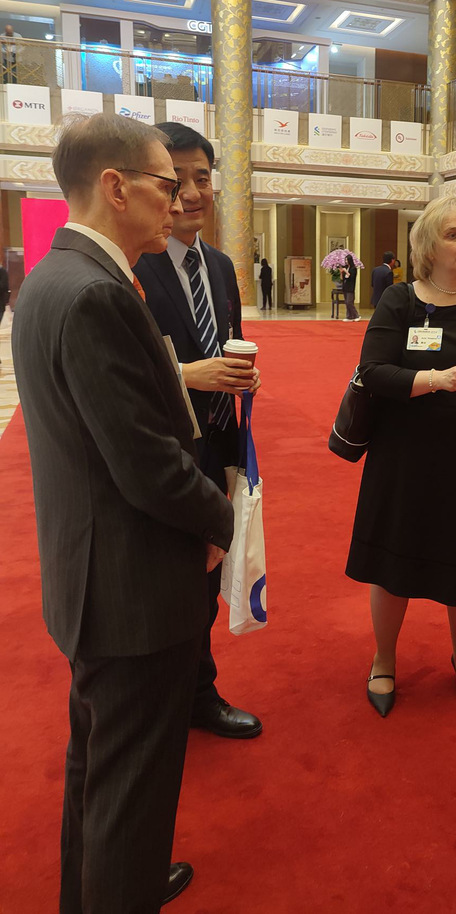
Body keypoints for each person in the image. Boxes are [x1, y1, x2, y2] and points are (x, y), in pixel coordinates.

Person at [12, 113, 234, 912]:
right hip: (131, 587)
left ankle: (102, 885)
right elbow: (147, 465)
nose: (179, 201)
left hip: (94, 573)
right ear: (115, 187)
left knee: (100, 768)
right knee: (133, 783)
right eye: (166, 184)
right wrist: (225, 520)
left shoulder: (55, 276)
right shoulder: (96, 294)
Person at [346, 197, 456, 716]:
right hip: (404, 456)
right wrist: (436, 379)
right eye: (453, 234)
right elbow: (373, 371)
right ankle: (383, 660)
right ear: (428, 245)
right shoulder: (400, 301)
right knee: (393, 562)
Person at [134, 122, 262, 740]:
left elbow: (227, 343)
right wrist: (189, 374)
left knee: (207, 580)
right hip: (157, 454)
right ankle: (162, 699)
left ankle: (196, 692)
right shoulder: (134, 263)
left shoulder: (221, 265)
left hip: (217, 448)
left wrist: (239, 377)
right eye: (175, 180)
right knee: (162, 583)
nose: (190, 193)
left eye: (202, 178)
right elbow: (122, 366)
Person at [341, 252, 361, 321]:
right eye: (345, 260)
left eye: (347, 260)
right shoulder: (346, 267)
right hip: (345, 287)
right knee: (346, 302)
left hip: (350, 287)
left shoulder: (353, 268)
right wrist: (341, 272)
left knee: (349, 302)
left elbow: (351, 277)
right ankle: (349, 316)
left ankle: (356, 315)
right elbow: (343, 279)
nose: (346, 261)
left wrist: (346, 272)